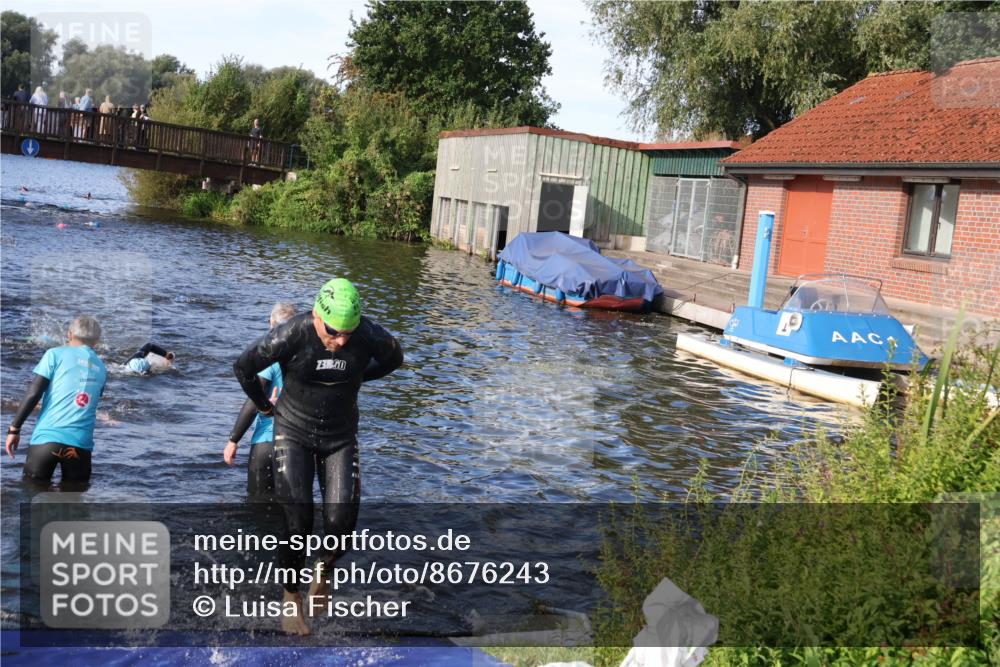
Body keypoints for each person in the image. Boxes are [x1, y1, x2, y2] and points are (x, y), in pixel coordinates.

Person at [233, 279, 403, 635]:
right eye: (334, 332)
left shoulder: (367, 334)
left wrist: (359, 375)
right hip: (293, 431)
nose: (341, 341)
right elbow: (243, 368)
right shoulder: (290, 335)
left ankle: (323, 571)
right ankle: (291, 596)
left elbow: (394, 358)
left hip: (340, 436)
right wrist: (266, 407)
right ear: (317, 317)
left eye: (348, 333)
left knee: (342, 527)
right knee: (299, 523)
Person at [5, 316, 107, 487]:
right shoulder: (102, 369)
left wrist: (14, 429)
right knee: (74, 508)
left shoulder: (54, 354)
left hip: (47, 441)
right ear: (96, 341)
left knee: (32, 498)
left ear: (69, 334)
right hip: (80, 446)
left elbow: (34, 392)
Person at [224, 302, 296, 496]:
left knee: (257, 509)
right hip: (298, 445)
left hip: (267, 442)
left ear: (270, 324)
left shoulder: (269, 359)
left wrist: (233, 440)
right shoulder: (305, 358)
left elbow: (255, 398)